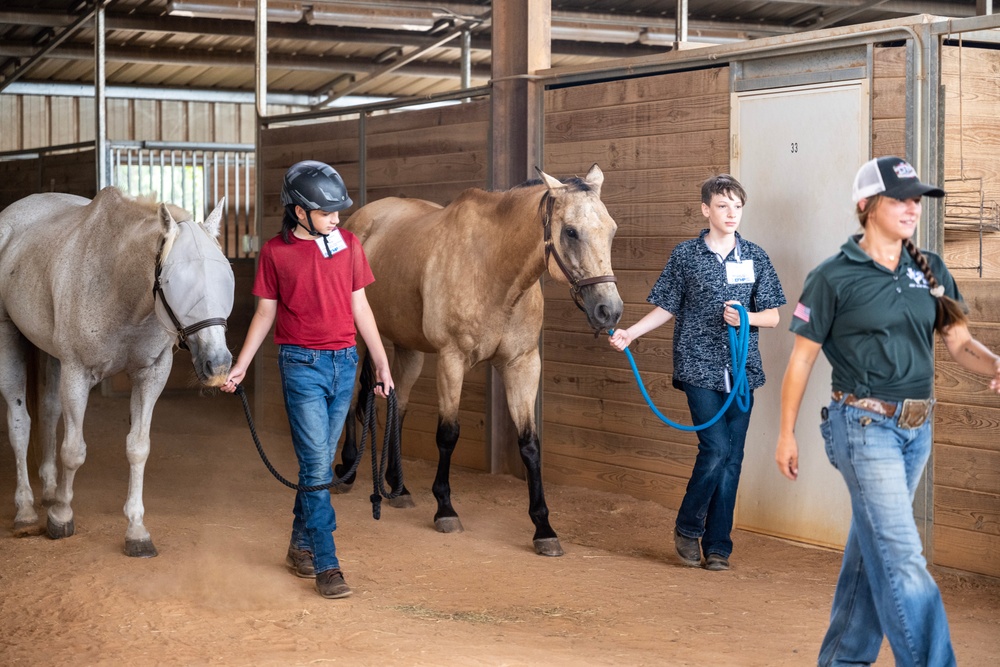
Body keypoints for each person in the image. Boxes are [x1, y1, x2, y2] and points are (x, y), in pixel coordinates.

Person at [775, 156, 1000, 666]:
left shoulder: (931, 270)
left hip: (917, 427)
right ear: (865, 206)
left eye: (915, 200)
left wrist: (994, 362)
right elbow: (801, 360)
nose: (911, 208)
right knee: (903, 557)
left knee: (870, 549)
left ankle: (842, 659)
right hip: (862, 425)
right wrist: (785, 434)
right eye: (899, 199)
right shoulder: (831, 277)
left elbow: (959, 342)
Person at [221, 160, 394, 600]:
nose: (337, 219)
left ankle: (300, 544)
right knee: (319, 467)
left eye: (338, 211)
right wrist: (241, 364)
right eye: (327, 212)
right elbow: (265, 312)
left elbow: (361, 306)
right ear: (300, 212)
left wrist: (380, 361)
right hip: (301, 365)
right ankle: (327, 563)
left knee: (316, 462)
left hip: (345, 362)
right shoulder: (275, 254)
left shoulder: (349, 244)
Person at [609, 174, 785, 571]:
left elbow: (773, 317)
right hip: (697, 365)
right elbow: (667, 306)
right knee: (716, 449)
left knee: (733, 458)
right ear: (706, 209)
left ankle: (718, 545)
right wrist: (631, 333)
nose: (731, 214)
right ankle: (689, 527)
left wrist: (746, 319)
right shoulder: (685, 255)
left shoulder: (754, 257)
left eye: (737, 206)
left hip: (742, 370)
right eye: (723, 206)